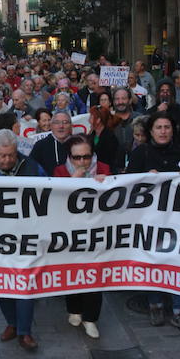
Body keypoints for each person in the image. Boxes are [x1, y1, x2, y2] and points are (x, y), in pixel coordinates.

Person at [125, 114, 180, 333]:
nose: (163, 131)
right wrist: (146, 179)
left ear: (172, 130)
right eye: (159, 127)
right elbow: (127, 184)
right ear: (151, 131)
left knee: (179, 262)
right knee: (153, 260)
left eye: (167, 127)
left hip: (179, 220)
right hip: (150, 221)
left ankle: (179, 311)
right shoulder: (141, 153)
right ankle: (155, 305)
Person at [0, 129, 43, 352]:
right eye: (2, 155)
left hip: (26, 236)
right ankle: (11, 324)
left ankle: (25, 332)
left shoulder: (32, 168)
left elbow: (51, 191)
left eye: (11, 155)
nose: (7, 160)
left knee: (24, 284)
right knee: (2, 284)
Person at [54, 135, 110, 338]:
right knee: (73, 272)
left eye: (86, 157)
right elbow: (55, 200)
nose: (82, 162)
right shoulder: (60, 171)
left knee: (94, 275)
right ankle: (74, 309)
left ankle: (91, 318)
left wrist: (107, 183)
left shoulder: (103, 168)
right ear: (70, 157)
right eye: (77, 158)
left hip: (97, 231)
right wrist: (72, 182)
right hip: (71, 232)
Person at [29, 110, 73, 175]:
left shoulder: (78, 144)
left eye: (65, 122)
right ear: (51, 126)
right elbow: (30, 169)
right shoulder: (40, 145)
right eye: (57, 122)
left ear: (71, 126)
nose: (61, 126)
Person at [89, 106, 123, 172]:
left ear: (98, 120)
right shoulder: (92, 135)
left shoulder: (110, 138)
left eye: (91, 117)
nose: (89, 120)